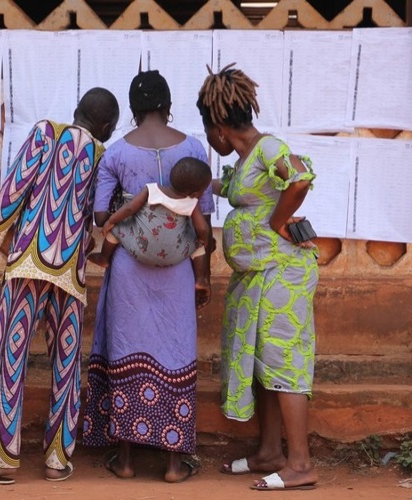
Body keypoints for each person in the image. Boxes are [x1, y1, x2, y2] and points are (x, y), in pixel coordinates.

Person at [0, 88, 120, 485]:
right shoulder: (103, 156)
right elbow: (101, 218)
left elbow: (14, 189)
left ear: (77, 110)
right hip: (70, 276)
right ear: (106, 126)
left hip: (27, 266)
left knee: (8, 361)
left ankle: (2, 461)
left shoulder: (46, 133)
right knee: (66, 367)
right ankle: (56, 460)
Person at [82, 70, 214, 484]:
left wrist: (134, 210)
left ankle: (125, 460)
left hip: (129, 269)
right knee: (176, 352)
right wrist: (204, 277)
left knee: (126, 350)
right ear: (168, 106)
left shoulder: (116, 153)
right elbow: (205, 219)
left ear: (133, 109)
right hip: (178, 270)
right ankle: (173, 464)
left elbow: (100, 216)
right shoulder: (194, 148)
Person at [196, 63, 319, 491]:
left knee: (284, 360)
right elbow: (235, 189)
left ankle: (301, 464)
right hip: (258, 276)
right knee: (262, 362)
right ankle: (270, 452)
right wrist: (192, 182)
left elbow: (298, 179)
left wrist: (279, 222)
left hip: (283, 273)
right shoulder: (247, 157)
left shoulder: (268, 148)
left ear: (218, 128)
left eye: (208, 133)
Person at [88, 156, 212, 282]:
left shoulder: (152, 190)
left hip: (140, 249)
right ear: (195, 194)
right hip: (175, 255)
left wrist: (111, 221)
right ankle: (200, 279)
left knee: (117, 229)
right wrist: (203, 239)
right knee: (199, 247)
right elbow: (202, 228)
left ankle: (104, 257)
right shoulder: (192, 203)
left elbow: (129, 209)